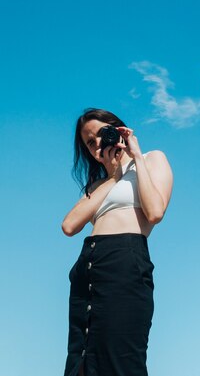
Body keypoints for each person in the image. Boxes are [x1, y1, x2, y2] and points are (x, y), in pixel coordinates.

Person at [61, 108, 174, 376]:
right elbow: (69, 226)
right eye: (90, 142)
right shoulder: (98, 186)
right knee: (82, 363)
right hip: (87, 270)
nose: (98, 143)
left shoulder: (151, 159)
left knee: (122, 361)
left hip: (124, 263)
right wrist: (112, 177)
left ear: (118, 129)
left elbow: (155, 212)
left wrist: (135, 155)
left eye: (102, 133)